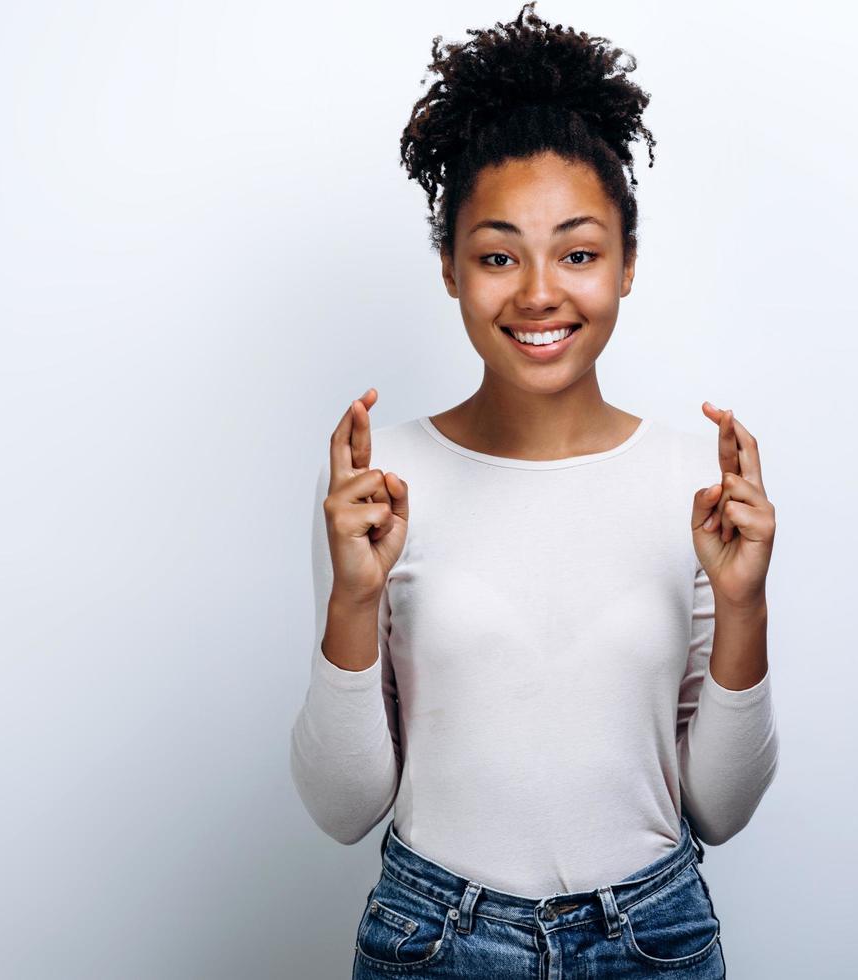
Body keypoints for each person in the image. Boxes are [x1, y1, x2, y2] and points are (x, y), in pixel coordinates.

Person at [289, 4, 779, 975]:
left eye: (579, 251)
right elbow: (341, 807)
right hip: (434, 937)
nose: (539, 292)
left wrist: (741, 601)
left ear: (626, 265)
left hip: (653, 936)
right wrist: (353, 594)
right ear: (450, 268)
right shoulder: (382, 480)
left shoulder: (693, 481)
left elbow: (718, 808)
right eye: (498, 254)